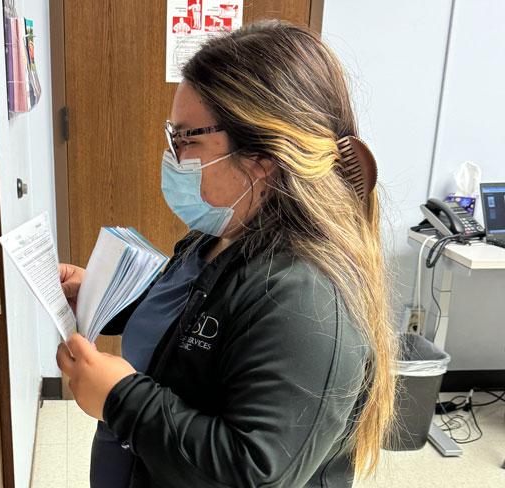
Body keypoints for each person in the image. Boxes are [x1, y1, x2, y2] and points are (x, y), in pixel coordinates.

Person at [57, 20, 396, 488]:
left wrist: (120, 399)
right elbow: (206, 324)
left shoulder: (309, 297)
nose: (173, 156)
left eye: (187, 139)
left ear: (262, 158)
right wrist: (106, 297)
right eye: (172, 137)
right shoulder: (220, 232)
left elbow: (251, 471)